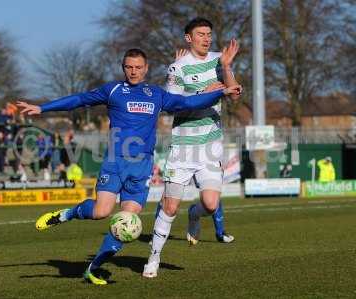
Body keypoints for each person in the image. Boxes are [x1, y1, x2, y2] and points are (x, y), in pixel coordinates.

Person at [16, 48, 241, 285]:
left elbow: (187, 101)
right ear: (123, 67)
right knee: (101, 212)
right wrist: (42, 109)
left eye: (138, 67)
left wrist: (223, 92)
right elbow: (79, 100)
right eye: (128, 67)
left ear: (146, 68)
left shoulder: (156, 94)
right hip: (115, 162)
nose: (133, 71)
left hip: (142, 166)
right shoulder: (112, 90)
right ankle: (66, 214)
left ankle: (93, 268)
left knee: (127, 223)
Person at [143, 17, 241, 278]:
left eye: (209, 33)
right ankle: (153, 258)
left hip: (211, 146)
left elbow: (233, 92)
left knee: (210, 205)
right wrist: (206, 93)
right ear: (189, 38)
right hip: (183, 149)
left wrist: (227, 66)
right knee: (170, 207)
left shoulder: (219, 60)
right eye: (201, 34)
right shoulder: (178, 68)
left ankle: (194, 216)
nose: (206, 38)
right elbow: (173, 104)